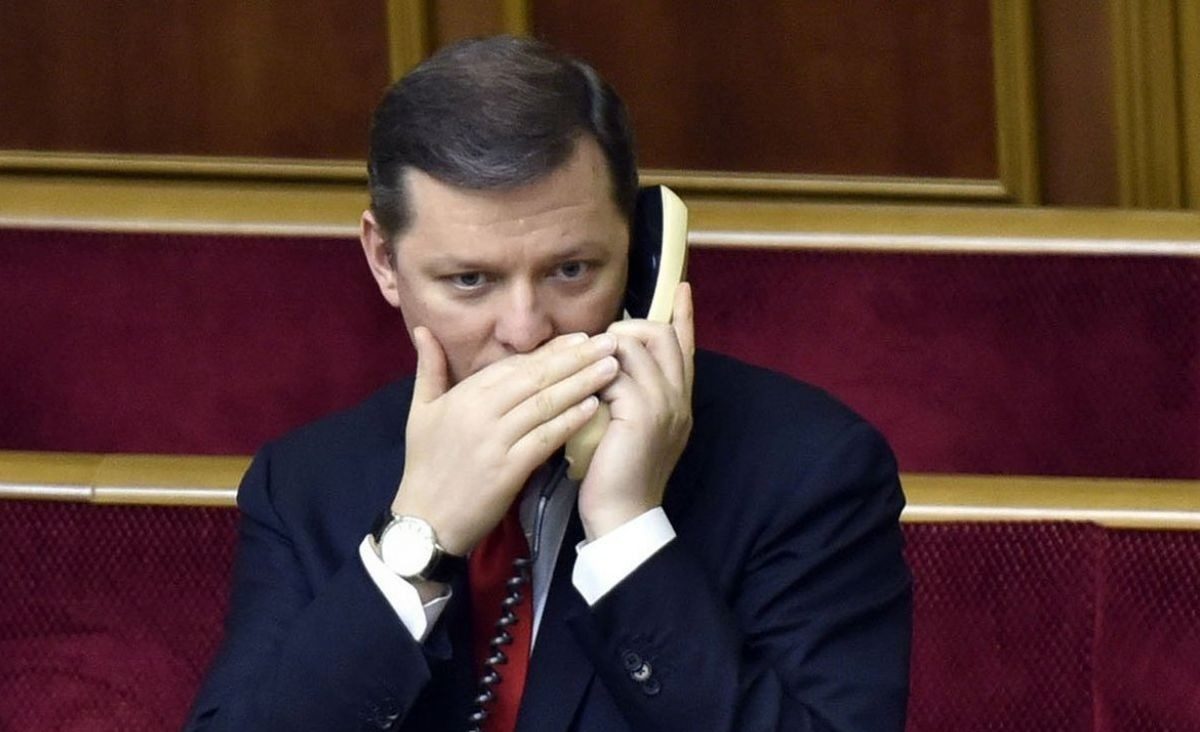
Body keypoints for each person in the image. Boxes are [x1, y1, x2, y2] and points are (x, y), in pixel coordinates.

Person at [185, 35, 910, 732]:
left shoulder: (810, 472)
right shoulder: (305, 484)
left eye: (571, 270)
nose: (527, 330)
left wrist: (628, 532)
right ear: (384, 262)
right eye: (470, 280)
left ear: (642, 254)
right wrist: (416, 544)